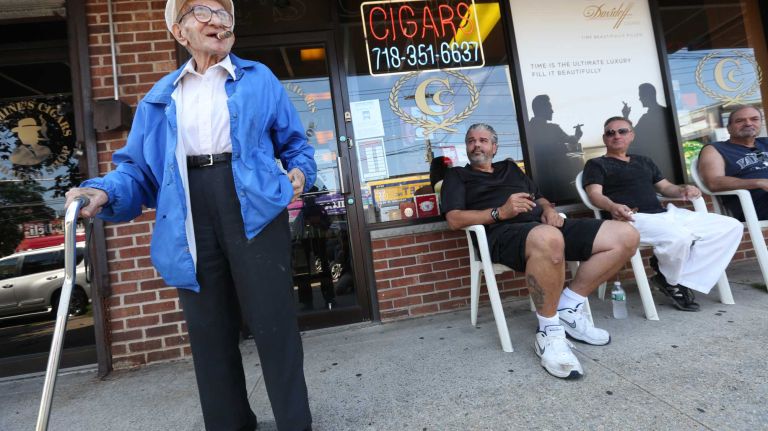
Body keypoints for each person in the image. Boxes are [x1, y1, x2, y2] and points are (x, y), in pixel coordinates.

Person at [64, 1, 314, 429]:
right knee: (208, 328)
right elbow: (138, 171)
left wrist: (300, 173)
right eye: (203, 11)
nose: (218, 19)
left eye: (224, 12)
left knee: (274, 324)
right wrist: (100, 192)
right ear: (179, 33)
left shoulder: (259, 79)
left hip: (253, 202)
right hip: (187, 211)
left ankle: (295, 422)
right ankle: (230, 423)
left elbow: (295, 143)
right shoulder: (161, 96)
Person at [441, 123, 639, 379]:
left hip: (544, 225)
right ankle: (548, 331)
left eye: (483, 140)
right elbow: (454, 219)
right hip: (502, 235)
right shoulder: (457, 176)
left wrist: (548, 210)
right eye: (470, 141)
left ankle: (569, 307)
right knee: (549, 238)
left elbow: (539, 196)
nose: (476, 144)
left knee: (626, 235)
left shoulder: (510, 168)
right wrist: (500, 212)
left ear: (494, 146)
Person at [583, 116, 742, 311]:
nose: (616, 135)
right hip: (631, 219)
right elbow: (595, 195)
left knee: (731, 226)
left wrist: (683, 189)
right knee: (680, 238)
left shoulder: (644, 161)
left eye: (622, 131)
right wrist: (612, 206)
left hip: (665, 215)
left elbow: (666, 188)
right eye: (610, 133)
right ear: (605, 138)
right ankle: (672, 281)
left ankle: (672, 277)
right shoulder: (596, 164)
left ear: (631, 135)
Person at [698, 105, 768, 221]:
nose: (748, 123)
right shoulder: (716, 149)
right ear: (729, 128)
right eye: (740, 121)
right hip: (755, 205)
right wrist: (759, 182)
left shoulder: (765, 143)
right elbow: (713, 182)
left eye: (754, 119)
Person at [527, 95, 584, 204]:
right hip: (559, 180)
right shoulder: (552, 129)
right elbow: (572, 140)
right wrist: (578, 134)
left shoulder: (528, 128)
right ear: (541, 109)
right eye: (549, 107)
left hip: (540, 182)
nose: (552, 111)